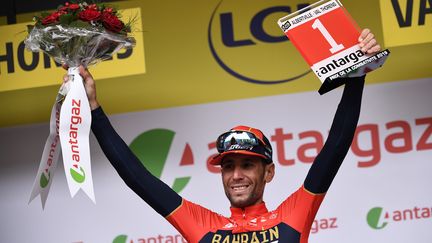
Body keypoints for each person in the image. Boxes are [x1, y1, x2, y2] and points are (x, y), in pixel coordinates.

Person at [65, 28, 381, 242]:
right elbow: (136, 177)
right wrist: (94, 108)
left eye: (247, 164)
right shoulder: (203, 225)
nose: (236, 175)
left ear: (268, 172)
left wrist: (357, 73)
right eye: (228, 166)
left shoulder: (293, 215)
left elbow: (336, 144)